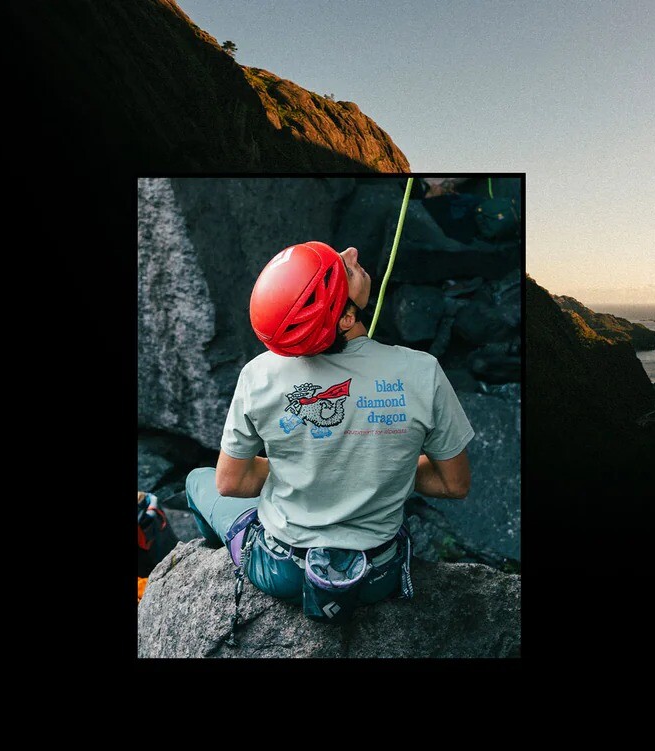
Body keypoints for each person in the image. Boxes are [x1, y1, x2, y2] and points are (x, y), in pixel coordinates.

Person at [182, 240, 474, 622]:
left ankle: (212, 558)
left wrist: (302, 469)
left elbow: (230, 484)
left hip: (282, 569)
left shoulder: (259, 374)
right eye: (345, 270)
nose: (353, 252)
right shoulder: (423, 372)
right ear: (346, 320)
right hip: (375, 576)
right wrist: (382, 467)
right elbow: (454, 484)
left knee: (195, 481)